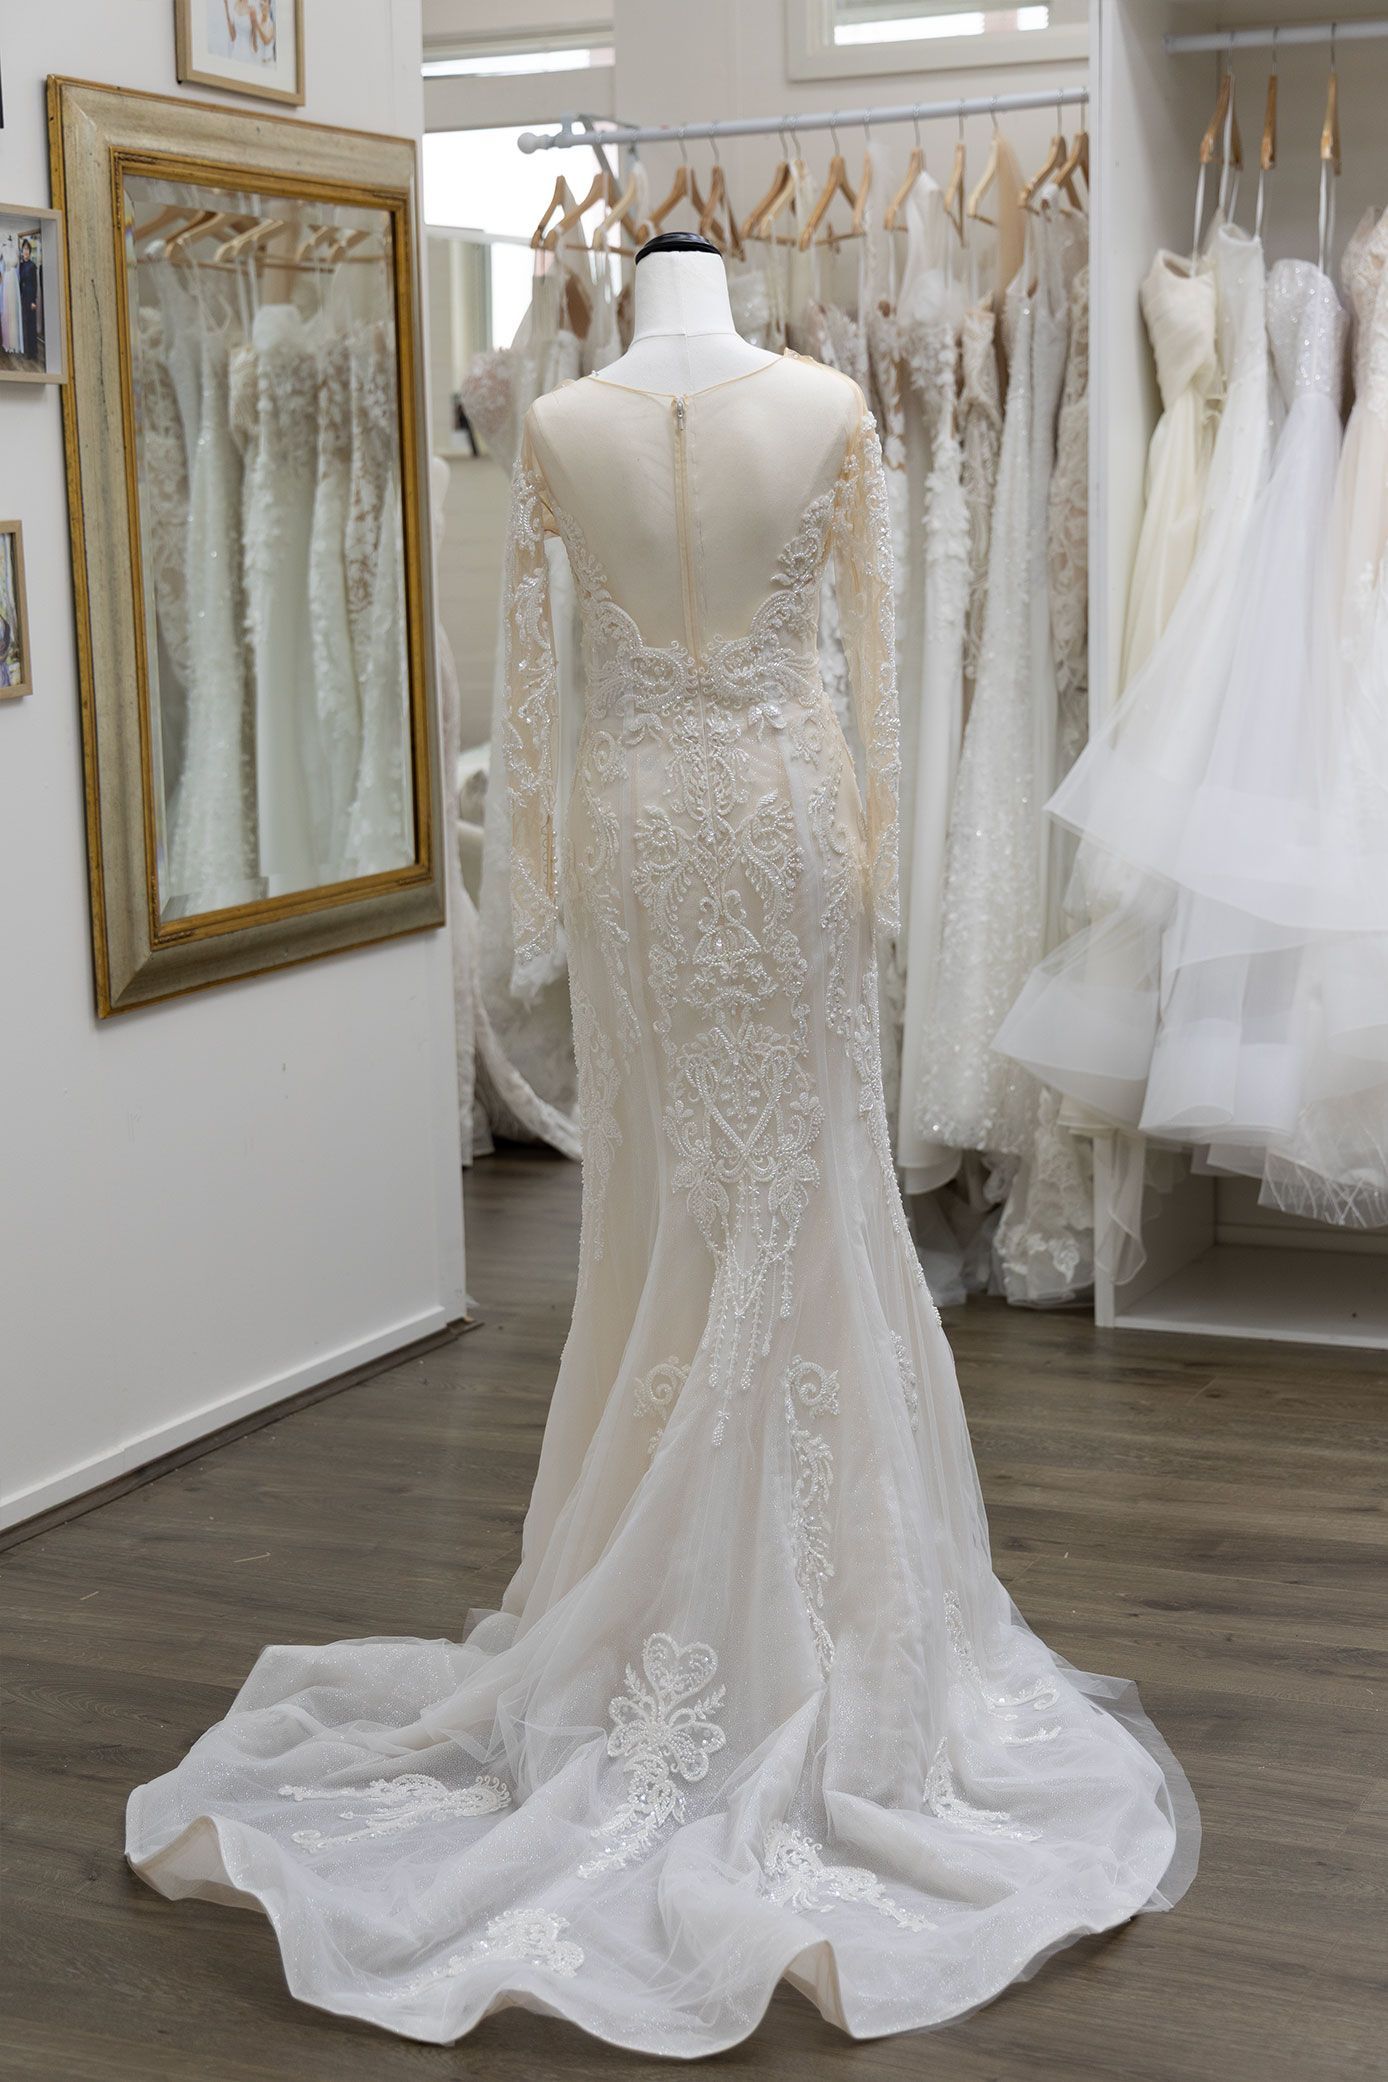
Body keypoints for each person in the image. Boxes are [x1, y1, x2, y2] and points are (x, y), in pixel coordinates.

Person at [18, 239, 40, 368]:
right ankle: (27, 351)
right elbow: (20, 282)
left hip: (30, 297)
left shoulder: (32, 265)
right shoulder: (20, 265)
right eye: (24, 249)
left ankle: (33, 352)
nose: (25, 251)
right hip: (23, 297)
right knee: (25, 324)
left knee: (31, 325)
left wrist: (33, 301)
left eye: (27, 249)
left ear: (29, 252)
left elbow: (35, 284)